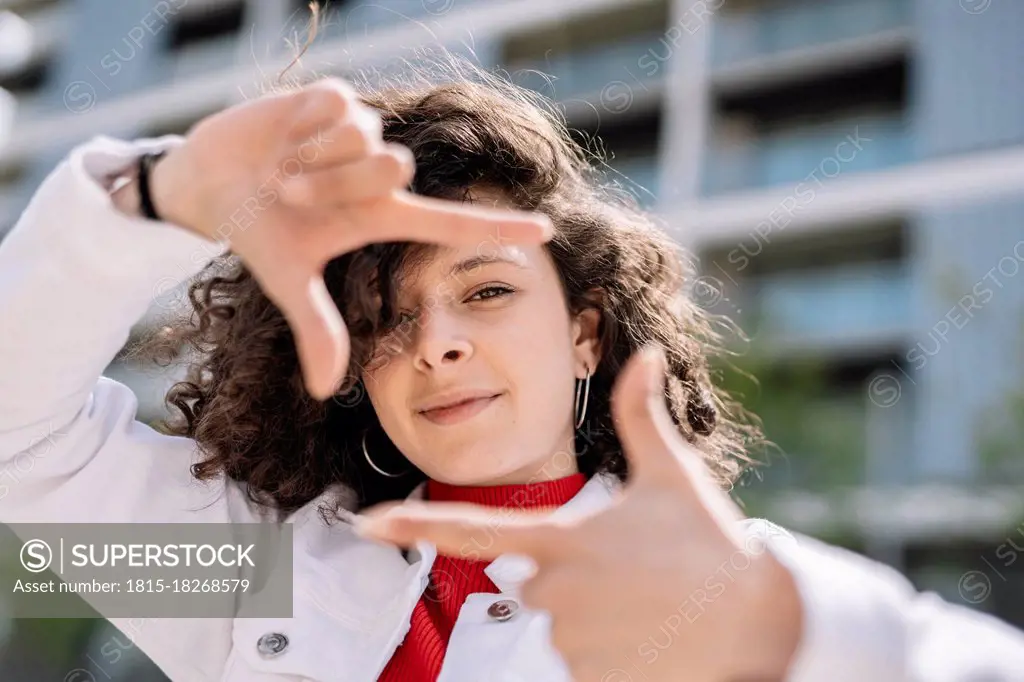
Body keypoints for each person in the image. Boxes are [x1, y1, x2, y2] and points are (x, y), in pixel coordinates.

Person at [0, 60, 1022, 682]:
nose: (435, 343)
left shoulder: (723, 597)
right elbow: (20, 440)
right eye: (383, 318)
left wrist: (787, 632)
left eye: (486, 291)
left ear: (585, 333)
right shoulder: (254, 574)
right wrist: (156, 197)